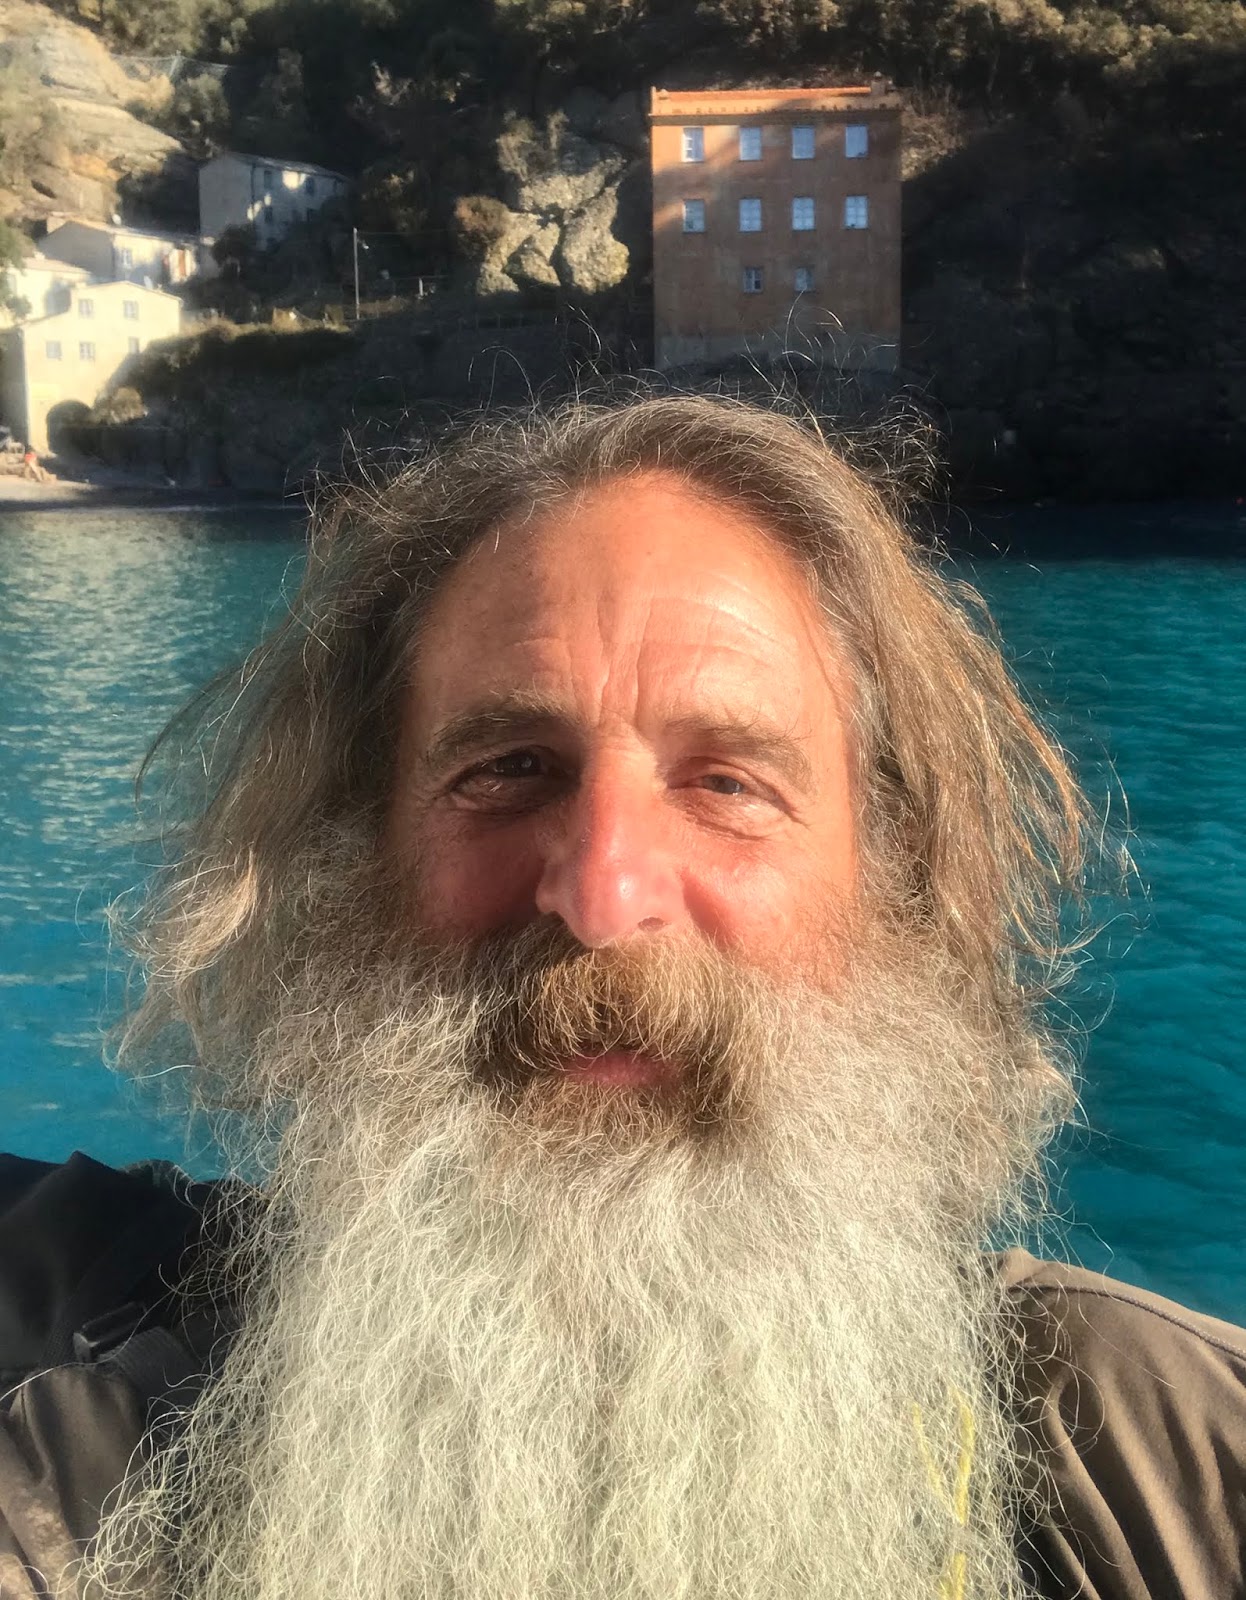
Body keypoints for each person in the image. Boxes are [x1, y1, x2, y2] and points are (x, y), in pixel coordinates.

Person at [0, 393, 1242, 1600]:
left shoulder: (1169, 1461)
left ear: (893, 882)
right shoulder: (76, 1475)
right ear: (350, 863)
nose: (601, 895)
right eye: (509, 768)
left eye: (728, 782)